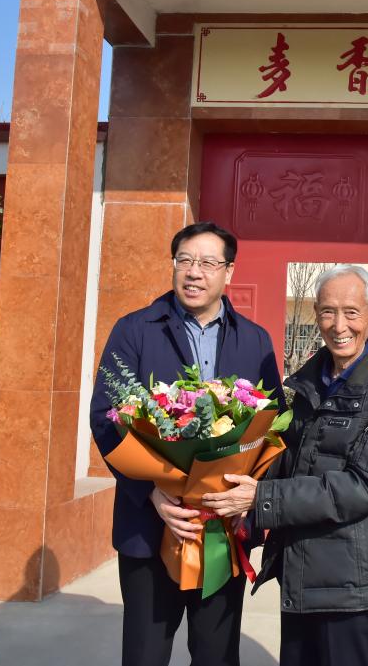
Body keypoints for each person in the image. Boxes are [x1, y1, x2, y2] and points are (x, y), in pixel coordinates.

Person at [203, 265, 368, 666]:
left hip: (353, 586)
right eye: (327, 312)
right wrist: (233, 497)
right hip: (300, 572)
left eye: (351, 312)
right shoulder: (305, 381)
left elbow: (364, 486)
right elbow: (285, 460)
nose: (339, 326)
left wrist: (259, 498)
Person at [89, 222, 282, 666]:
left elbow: (271, 424)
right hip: (151, 527)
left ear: (229, 272)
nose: (195, 272)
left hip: (223, 528)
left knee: (217, 655)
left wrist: (245, 495)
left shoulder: (255, 339)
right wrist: (151, 492)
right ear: (174, 265)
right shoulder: (134, 330)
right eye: (186, 260)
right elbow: (106, 418)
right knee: (145, 654)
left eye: (209, 263)